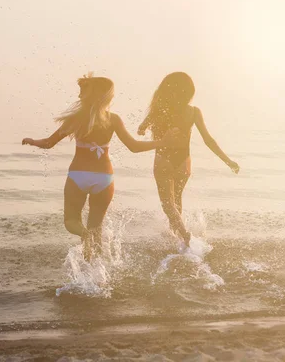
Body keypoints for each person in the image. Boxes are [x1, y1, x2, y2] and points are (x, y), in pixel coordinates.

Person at [22, 73, 176, 260]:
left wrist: (32, 141)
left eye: (82, 92)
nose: (79, 96)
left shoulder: (76, 119)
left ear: (91, 94)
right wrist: (162, 142)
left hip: (78, 175)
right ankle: (96, 272)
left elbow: (48, 143)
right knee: (97, 229)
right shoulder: (113, 119)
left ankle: (84, 235)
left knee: (71, 221)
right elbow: (134, 147)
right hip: (104, 178)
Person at [138, 72, 240, 247]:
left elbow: (141, 129)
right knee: (177, 201)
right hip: (184, 162)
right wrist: (228, 161)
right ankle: (178, 239)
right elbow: (208, 140)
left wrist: (147, 128)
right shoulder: (193, 111)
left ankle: (184, 235)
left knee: (167, 204)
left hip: (163, 159)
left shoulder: (159, 109)